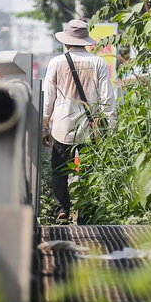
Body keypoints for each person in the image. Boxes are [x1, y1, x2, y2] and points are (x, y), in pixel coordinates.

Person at [42, 18, 116, 223]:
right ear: (85, 41)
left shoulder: (56, 63)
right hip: (90, 127)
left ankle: (62, 210)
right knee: (88, 171)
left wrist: (44, 128)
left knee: (59, 171)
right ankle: (86, 211)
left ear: (66, 42)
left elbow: (48, 99)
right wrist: (110, 127)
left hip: (62, 126)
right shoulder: (98, 62)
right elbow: (107, 97)